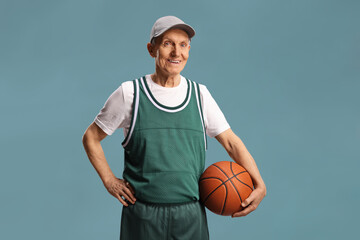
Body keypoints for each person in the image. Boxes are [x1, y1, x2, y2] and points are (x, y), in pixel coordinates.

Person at [82, 15, 266, 240]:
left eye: (183, 45)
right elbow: (90, 137)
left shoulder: (200, 95)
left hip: (190, 214)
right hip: (143, 214)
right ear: (152, 49)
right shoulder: (130, 93)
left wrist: (259, 184)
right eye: (168, 43)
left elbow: (231, 142)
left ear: (189, 50)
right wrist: (109, 180)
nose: (176, 53)